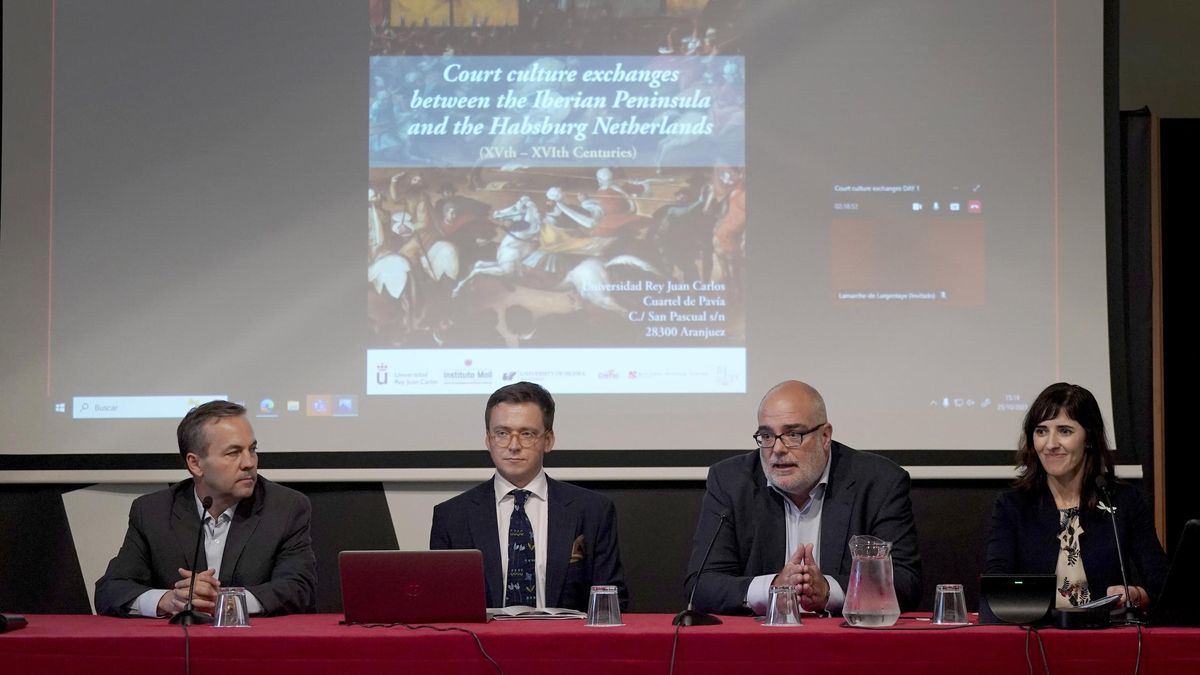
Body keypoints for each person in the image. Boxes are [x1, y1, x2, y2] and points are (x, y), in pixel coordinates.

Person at [685, 380, 922, 615]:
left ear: (825, 436)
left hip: (846, 644)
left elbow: (905, 583)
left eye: (793, 434)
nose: (777, 449)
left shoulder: (878, 482)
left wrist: (828, 590)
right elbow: (701, 585)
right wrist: (772, 588)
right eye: (766, 436)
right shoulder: (731, 482)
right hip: (760, 643)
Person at [94, 401, 317, 618]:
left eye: (252, 449)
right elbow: (110, 589)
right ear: (195, 464)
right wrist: (168, 600)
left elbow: (298, 589)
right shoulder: (152, 512)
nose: (249, 462)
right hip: (175, 649)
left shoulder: (285, 507)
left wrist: (223, 601)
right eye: (233, 453)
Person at [430, 382, 629, 611]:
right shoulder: (452, 516)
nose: (514, 446)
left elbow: (612, 603)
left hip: (566, 644)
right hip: (482, 645)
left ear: (549, 440)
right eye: (502, 433)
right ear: (488, 440)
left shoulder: (593, 511)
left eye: (527, 434)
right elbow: (441, 608)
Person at [985, 383, 1168, 609]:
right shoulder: (1013, 505)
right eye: (1041, 431)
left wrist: (1136, 594)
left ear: (1089, 438)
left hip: (1106, 636)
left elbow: (1163, 584)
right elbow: (995, 588)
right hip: (1035, 636)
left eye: (1065, 431)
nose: (1050, 444)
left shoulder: (1122, 500)